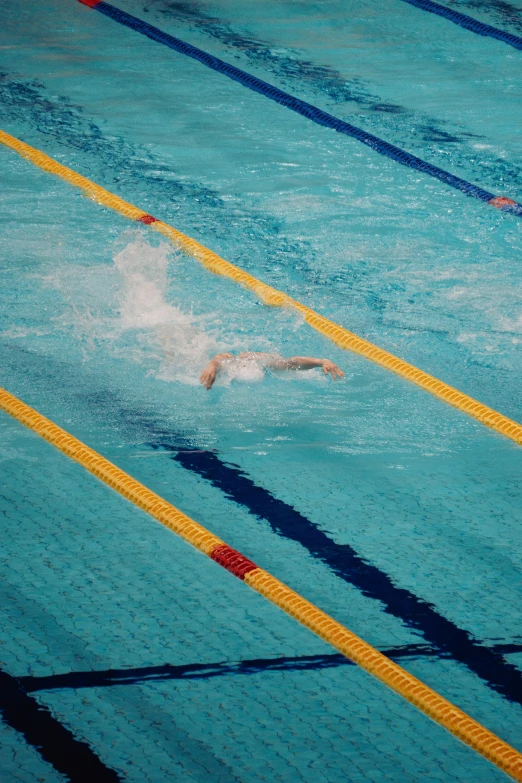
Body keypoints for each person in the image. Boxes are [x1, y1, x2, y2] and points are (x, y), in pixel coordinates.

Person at [200, 351, 344, 390]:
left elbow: (291, 363)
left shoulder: (260, 362)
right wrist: (212, 365)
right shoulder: (233, 364)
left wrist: (321, 361)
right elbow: (219, 358)